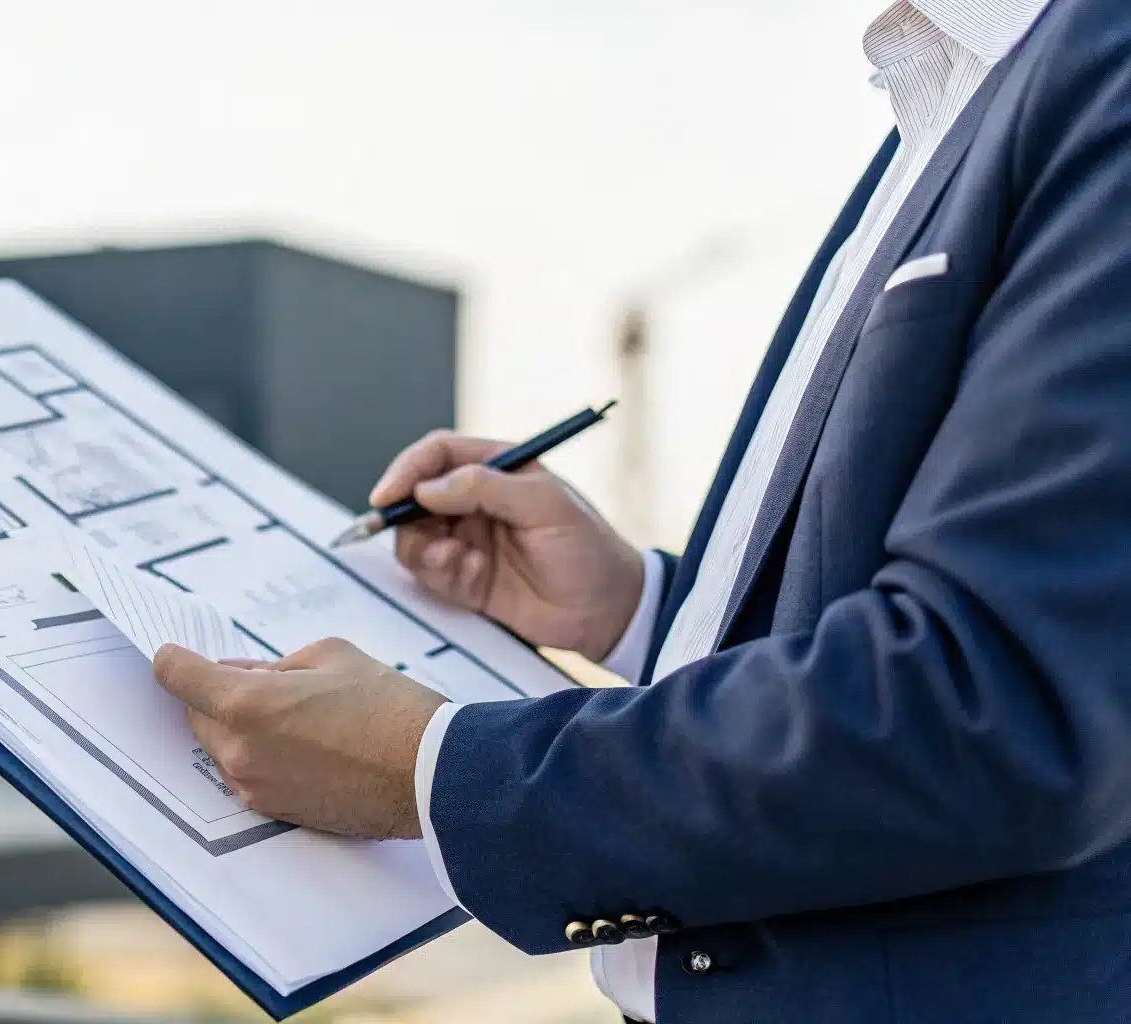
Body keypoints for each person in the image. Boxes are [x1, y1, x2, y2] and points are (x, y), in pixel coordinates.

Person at [149, 0, 1131, 1020]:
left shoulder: (1101, 70)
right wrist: (640, 609)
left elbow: (997, 703)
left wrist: (430, 770)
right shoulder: (953, 91)